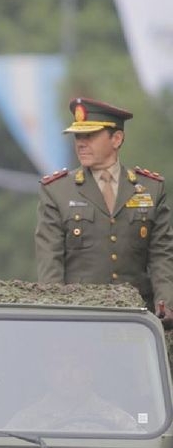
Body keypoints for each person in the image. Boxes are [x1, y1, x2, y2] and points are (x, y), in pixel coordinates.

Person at [35, 97, 173, 327]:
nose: (81, 143)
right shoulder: (57, 191)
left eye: (90, 135)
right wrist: (55, 315)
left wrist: (165, 303)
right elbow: (50, 262)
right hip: (81, 320)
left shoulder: (151, 188)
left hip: (137, 321)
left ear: (116, 139)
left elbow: (162, 254)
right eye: (78, 136)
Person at [6, 345, 141, 432]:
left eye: (76, 366)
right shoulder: (26, 420)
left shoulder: (115, 418)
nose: (67, 375)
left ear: (90, 372)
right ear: (47, 374)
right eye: (58, 366)